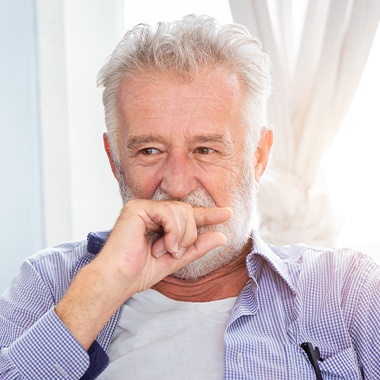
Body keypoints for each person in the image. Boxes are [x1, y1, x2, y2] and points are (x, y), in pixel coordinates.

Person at [0, 14, 379, 380]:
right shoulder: (50, 283)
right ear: (115, 160)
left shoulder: (346, 290)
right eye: (149, 151)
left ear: (258, 156)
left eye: (206, 150)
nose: (178, 186)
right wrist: (99, 291)